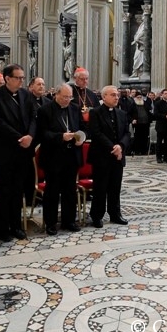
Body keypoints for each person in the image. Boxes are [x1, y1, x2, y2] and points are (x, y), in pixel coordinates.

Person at [0, 64, 37, 241]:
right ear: (7, 78)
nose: (22, 80)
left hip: (23, 151)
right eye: (18, 78)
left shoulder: (26, 95)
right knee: (4, 190)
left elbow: (33, 117)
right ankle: (2, 228)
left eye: (23, 77)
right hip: (4, 150)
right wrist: (19, 138)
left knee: (18, 189)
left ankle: (16, 225)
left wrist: (29, 135)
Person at [36, 83, 84, 235]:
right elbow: (42, 134)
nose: (67, 100)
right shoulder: (45, 110)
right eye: (64, 97)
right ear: (56, 94)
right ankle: (50, 223)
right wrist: (60, 137)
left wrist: (81, 138)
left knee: (70, 190)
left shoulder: (75, 108)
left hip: (72, 155)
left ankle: (69, 220)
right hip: (53, 157)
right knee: (52, 191)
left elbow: (83, 127)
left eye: (70, 97)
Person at [88, 86, 131, 228]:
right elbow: (96, 133)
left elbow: (126, 133)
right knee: (100, 188)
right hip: (101, 156)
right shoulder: (95, 112)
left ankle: (115, 214)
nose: (116, 97)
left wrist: (121, 146)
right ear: (104, 96)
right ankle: (97, 215)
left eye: (117, 95)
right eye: (113, 95)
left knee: (115, 187)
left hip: (118, 157)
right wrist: (113, 147)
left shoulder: (122, 113)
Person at [153, 89, 167, 163]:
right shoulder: (158, 103)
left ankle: (166, 157)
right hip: (160, 125)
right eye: (165, 93)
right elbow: (155, 114)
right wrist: (165, 116)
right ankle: (159, 157)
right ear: (162, 95)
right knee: (159, 142)